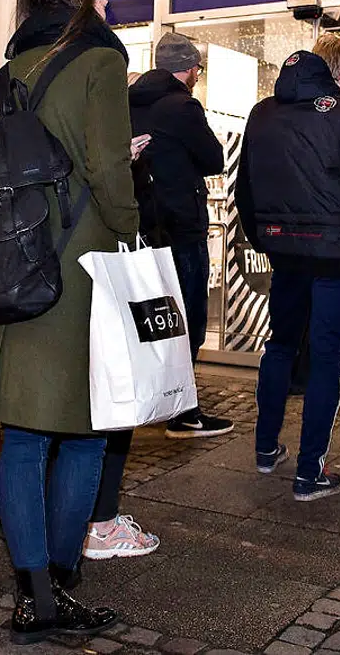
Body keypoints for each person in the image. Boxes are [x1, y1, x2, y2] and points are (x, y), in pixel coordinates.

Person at [0, 0, 136, 645]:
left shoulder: (0, 79)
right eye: (103, 0)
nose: (108, 13)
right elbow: (109, 168)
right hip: (78, 271)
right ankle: (61, 581)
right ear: (83, 4)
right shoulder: (100, 66)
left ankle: (34, 593)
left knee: (23, 440)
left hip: (8, 274)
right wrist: (129, 222)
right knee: (88, 433)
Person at [81, 32, 233, 562]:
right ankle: (181, 410)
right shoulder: (183, 106)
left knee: (143, 321)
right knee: (184, 315)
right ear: (191, 70)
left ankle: (153, 396)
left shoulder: (123, 100)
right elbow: (214, 160)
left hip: (136, 225)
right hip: (181, 226)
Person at [239, 34, 340, 502]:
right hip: (336, 258)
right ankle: (310, 473)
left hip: (284, 255)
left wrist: (266, 236)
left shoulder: (262, 113)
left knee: (280, 347)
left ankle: (266, 449)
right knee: (329, 358)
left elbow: (244, 187)